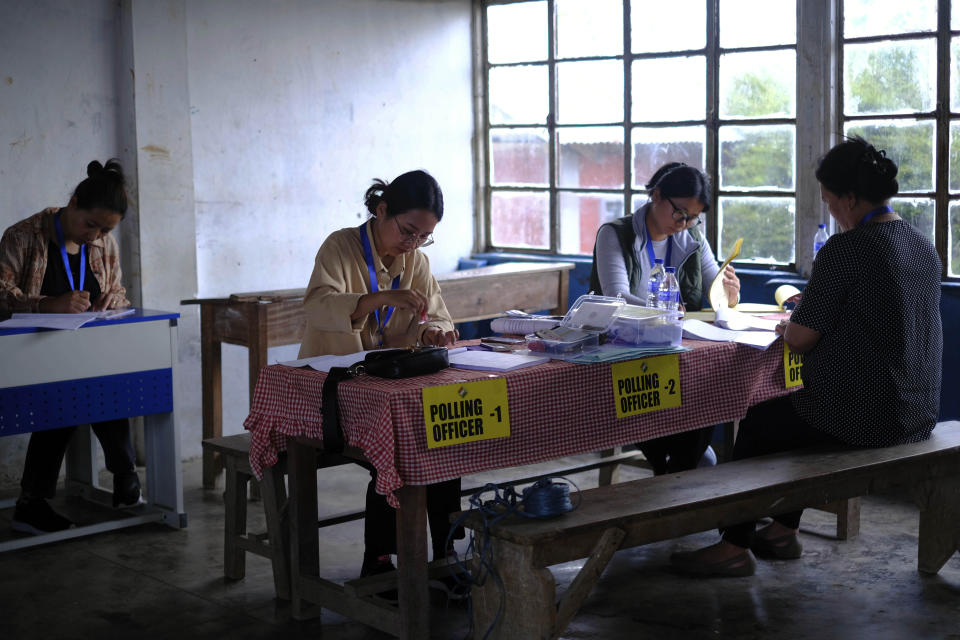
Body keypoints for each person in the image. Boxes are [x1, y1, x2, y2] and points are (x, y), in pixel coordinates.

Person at [670, 136, 943, 577]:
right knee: (796, 415)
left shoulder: (847, 249)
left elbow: (799, 340)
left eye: (832, 202)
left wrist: (788, 325)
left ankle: (734, 545)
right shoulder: (920, 245)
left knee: (762, 418)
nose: (832, 211)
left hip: (869, 417)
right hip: (918, 412)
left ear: (851, 199)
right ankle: (781, 529)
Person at [299, 169, 463, 593]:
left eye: (424, 237)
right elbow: (318, 306)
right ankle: (378, 562)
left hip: (385, 385)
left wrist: (434, 331)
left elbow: (439, 314)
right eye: (408, 231)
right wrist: (381, 298)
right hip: (335, 387)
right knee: (401, 447)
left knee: (444, 434)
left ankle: (446, 553)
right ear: (382, 209)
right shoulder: (341, 246)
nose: (412, 244)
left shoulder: (416, 261)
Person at [0, 159, 141, 535]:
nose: (95, 236)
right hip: (32, 354)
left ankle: (124, 473)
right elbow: (1, 294)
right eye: (90, 224)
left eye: (106, 229)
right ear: (73, 203)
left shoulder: (104, 244)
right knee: (61, 398)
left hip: (86, 353)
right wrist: (47, 304)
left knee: (109, 386)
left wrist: (115, 300)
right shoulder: (23, 236)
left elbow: (116, 289)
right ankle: (32, 503)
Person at [590, 162, 740, 474]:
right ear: (657, 196)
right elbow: (616, 297)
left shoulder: (692, 238)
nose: (684, 224)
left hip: (674, 351)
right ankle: (679, 467)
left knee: (711, 385)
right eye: (680, 213)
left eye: (693, 217)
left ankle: (679, 468)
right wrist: (664, 311)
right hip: (624, 350)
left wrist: (729, 292)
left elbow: (715, 289)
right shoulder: (615, 234)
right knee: (668, 401)